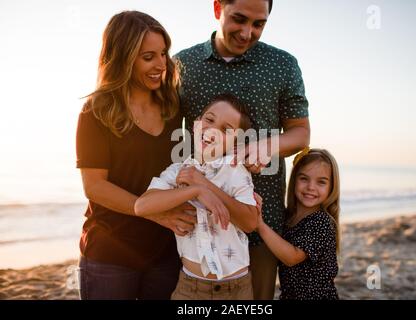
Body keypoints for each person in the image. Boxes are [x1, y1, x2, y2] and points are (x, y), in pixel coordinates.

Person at [175, 0, 310, 299]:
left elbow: (301, 133)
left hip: (262, 219)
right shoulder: (182, 64)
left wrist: (266, 145)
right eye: (239, 19)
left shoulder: (283, 64)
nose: (247, 33)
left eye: (258, 24)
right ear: (217, 8)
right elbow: (166, 136)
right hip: (196, 220)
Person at [75, 11, 197, 300]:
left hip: (165, 252)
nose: (161, 64)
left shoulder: (172, 108)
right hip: (109, 252)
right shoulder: (96, 111)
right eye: (148, 57)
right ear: (123, 58)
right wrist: (157, 213)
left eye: (163, 54)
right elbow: (94, 187)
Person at [135, 93, 258, 299]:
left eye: (226, 130)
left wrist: (205, 184)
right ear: (196, 124)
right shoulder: (177, 171)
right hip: (189, 287)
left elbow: (250, 222)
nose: (213, 131)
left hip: (235, 289)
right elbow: (142, 206)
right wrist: (195, 190)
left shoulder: (236, 171)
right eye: (209, 120)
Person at [255, 148, 340, 300]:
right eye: (304, 178)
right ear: (294, 180)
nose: (310, 187)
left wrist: (259, 224)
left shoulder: (322, 222)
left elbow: (291, 257)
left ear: (331, 187)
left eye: (321, 182)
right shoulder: (288, 217)